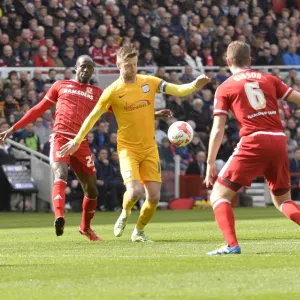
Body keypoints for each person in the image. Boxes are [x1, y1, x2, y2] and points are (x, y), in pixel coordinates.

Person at [60, 44, 210, 242]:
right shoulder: (112, 91)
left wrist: (194, 85)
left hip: (149, 149)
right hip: (128, 150)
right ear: (118, 64)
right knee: (134, 193)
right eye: (128, 65)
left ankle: (138, 231)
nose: (132, 69)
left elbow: (178, 90)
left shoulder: (149, 81)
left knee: (154, 197)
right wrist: (77, 140)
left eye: (135, 64)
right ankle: (124, 212)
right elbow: (92, 117)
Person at [205, 41, 300, 256]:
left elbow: (218, 128)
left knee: (218, 195)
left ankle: (231, 245)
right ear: (250, 60)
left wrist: (210, 161)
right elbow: (297, 99)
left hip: (253, 141)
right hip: (278, 140)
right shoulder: (269, 79)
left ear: (228, 61)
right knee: (284, 201)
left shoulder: (225, 87)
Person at [0, 55, 103, 241]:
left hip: (80, 142)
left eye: (90, 67)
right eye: (83, 66)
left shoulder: (97, 93)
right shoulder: (60, 85)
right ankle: (59, 217)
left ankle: (85, 227)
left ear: (93, 70)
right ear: (75, 67)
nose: (86, 70)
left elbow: (122, 109)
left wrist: (151, 114)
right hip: (60, 137)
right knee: (60, 175)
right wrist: (13, 129)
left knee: (92, 190)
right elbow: (37, 110)